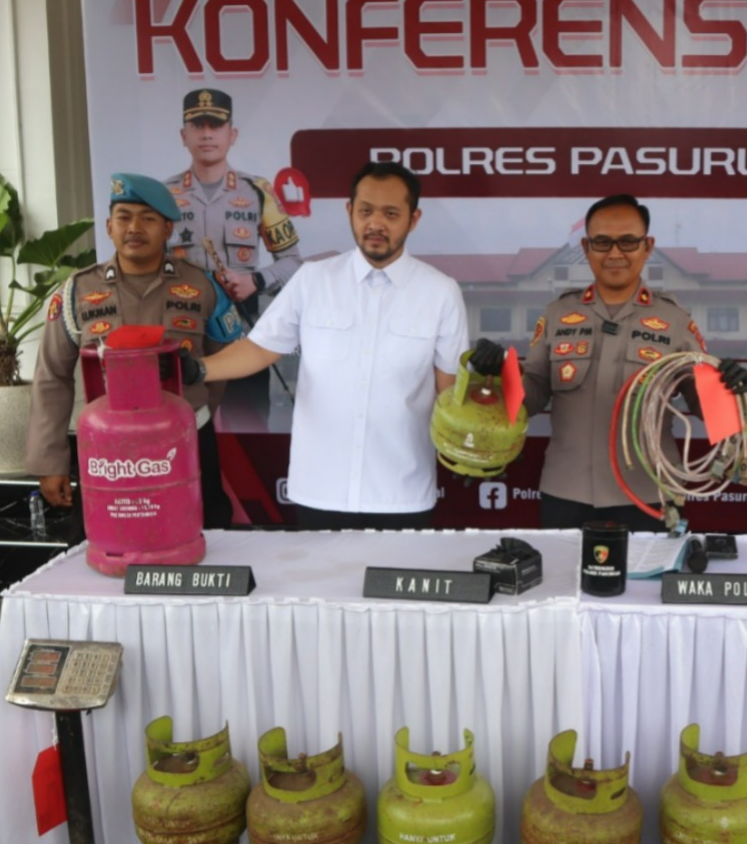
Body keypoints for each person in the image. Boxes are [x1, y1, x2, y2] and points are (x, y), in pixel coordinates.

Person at [186, 161, 467, 530]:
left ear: (413, 219)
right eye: (365, 211)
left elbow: (450, 392)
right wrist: (197, 369)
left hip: (403, 492)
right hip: (318, 489)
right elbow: (259, 349)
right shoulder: (312, 279)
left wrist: (470, 441)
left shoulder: (441, 292)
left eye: (391, 213)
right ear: (349, 211)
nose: (375, 223)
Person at [472, 194, 747, 531]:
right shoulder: (558, 314)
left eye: (628, 242)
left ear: (647, 247)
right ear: (586, 248)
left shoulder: (675, 320)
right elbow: (532, 396)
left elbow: (703, 407)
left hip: (647, 491)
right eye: (602, 242)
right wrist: (500, 372)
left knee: (648, 569)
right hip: (567, 489)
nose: (615, 253)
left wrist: (729, 387)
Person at [26, 173, 242, 530]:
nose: (134, 228)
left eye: (148, 219)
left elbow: (222, 364)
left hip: (186, 441)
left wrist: (195, 413)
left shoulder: (202, 286)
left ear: (168, 228)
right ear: (109, 227)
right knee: (108, 538)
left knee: (202, 533)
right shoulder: (77, 291)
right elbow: (52, 377)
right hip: (108, 448)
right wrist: (50, 462)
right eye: (124, 217)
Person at [164, 88, 302, 320]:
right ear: (183, 135)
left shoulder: (258, 192)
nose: (206, 135)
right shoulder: (163, 194)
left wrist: (256, 281)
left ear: (232, 135)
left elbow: (293, 261)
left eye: (216, 126)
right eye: (197, 126)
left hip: (242, 321)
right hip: (182, 320)